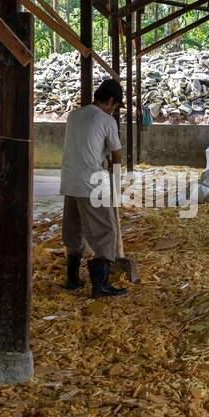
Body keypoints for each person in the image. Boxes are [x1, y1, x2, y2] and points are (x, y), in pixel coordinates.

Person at [60, 79, 127, 298]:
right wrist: (116, 183)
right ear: (110, 101)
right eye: (115, 106)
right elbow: (116, 155)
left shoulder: (74, 115)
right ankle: (101, 285)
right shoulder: (107, 120)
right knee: (106, 231)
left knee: (74, 230)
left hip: (70, 182)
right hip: (92, 184)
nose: (114, 110)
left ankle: (72, 278)